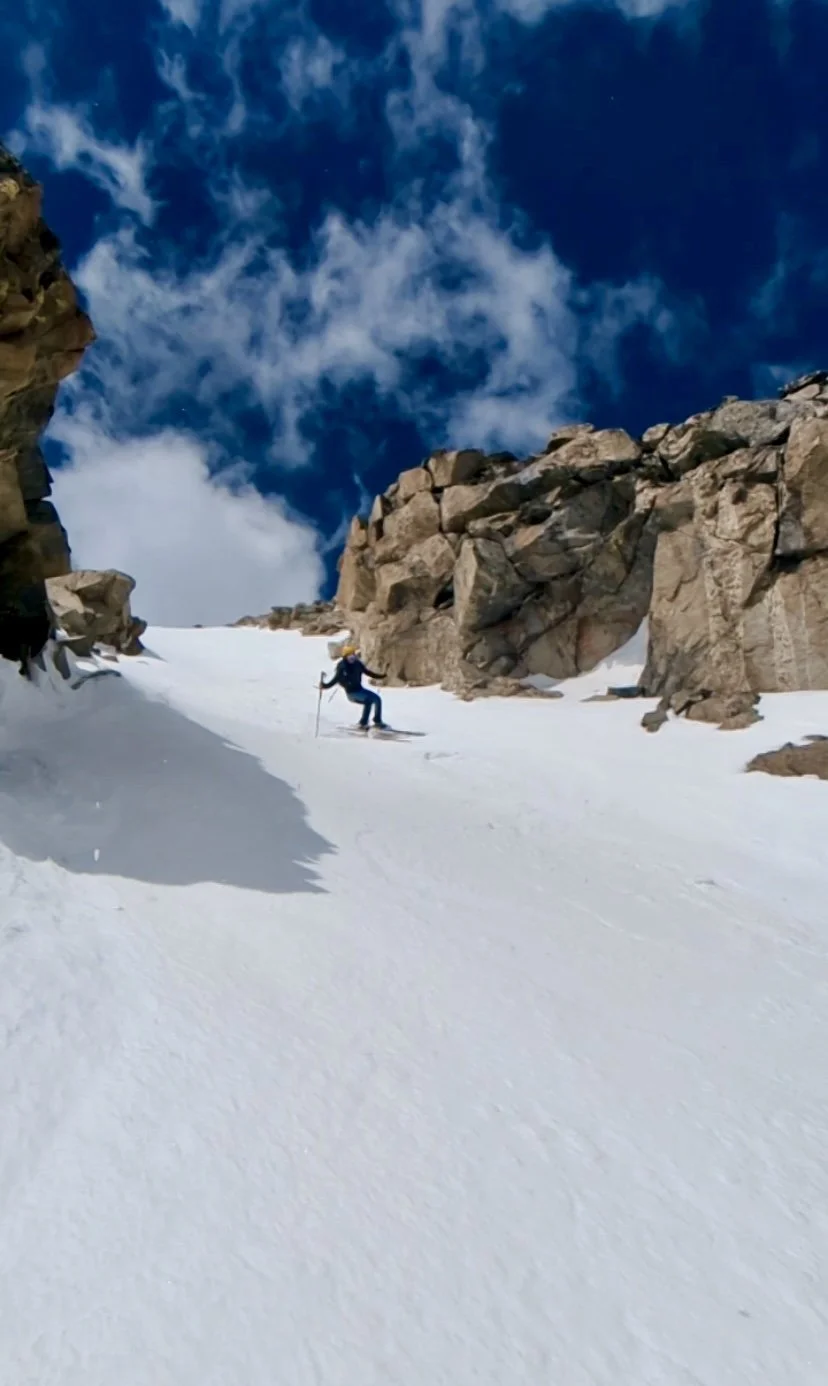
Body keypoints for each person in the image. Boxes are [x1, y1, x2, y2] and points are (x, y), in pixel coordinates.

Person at [320, 644, 388, 730]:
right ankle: (363, 723)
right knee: (369, 700)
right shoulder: (342, 666)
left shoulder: (357, 664)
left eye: (353, 655)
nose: (352, 657)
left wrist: (381, 676)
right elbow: (335, 679)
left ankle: (377, 721)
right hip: (352, 693)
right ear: (345, 657)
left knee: (377, 699)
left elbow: (368, 672)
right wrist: (325, 686)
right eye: (349, 656)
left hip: (360, 689)